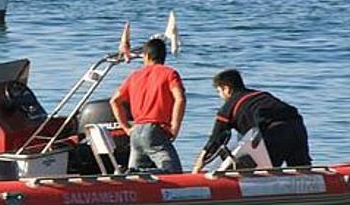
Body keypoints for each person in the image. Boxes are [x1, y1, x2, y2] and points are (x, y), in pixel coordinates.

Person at [191, 69, 311, 173]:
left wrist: (197, 167)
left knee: (263, 174)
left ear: (226, 89)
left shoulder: (229, 107)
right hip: (296, 125)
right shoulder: (261, 95)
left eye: (219, 91)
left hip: (274, 133)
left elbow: (215, 140)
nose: (220, 96)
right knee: (302, 172)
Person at [109, 37, 186, 173]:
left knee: (136, 180)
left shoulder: (134, 76)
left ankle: (131, 173)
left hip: (136, 131)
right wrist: (175, 127)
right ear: (163, 56)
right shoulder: (169, 74)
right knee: (173, 173)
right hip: (155, 131)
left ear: (147, 56)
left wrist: (126, 128)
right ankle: (137, 172)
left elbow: (114, 101)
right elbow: (180, 98)